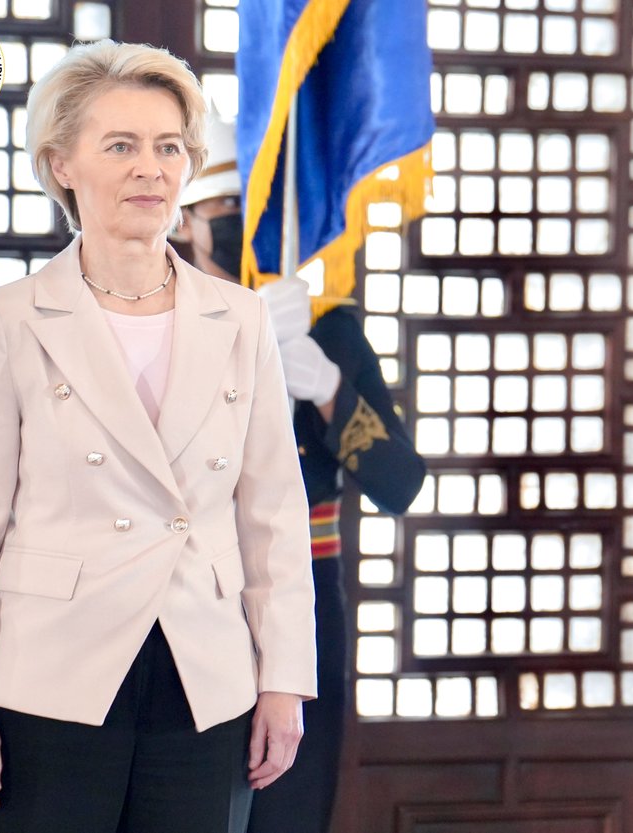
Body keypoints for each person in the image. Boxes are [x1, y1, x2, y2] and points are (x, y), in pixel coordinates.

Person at [0, 40, 316, 833]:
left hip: (205, 676)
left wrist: (284, 678)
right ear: (62, 163)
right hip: (50, 676)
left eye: (169, 147)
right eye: (121, 146)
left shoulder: (239, 317)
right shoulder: (9, 318)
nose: (152, 168)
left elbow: (273, 513)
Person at [174, 112, 427, 833]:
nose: (238, 226)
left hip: (308, 588)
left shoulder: (331, 328)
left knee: (290, 804)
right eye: (223, 210)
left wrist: (323, 386)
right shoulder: (162, 326)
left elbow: (400, 480)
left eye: (252, 211)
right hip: (192, 586)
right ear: (185, 223)